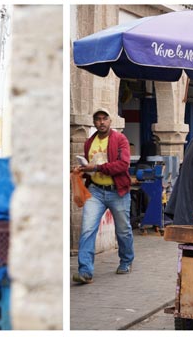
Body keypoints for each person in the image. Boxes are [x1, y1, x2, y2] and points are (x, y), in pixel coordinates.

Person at [72, 109, 134, 284]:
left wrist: (97, 168)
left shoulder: (120, 140)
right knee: (87, 229)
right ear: (94, 122)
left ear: (110, 121)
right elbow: (90, 166)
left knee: (123, 230)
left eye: (104, 119)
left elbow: (123, 165)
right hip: (96, 191)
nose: (101, 122)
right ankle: (85, 271)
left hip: (117, 191)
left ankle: (127, 260)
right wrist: (82, 170)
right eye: (97, 119)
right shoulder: (89, 143)